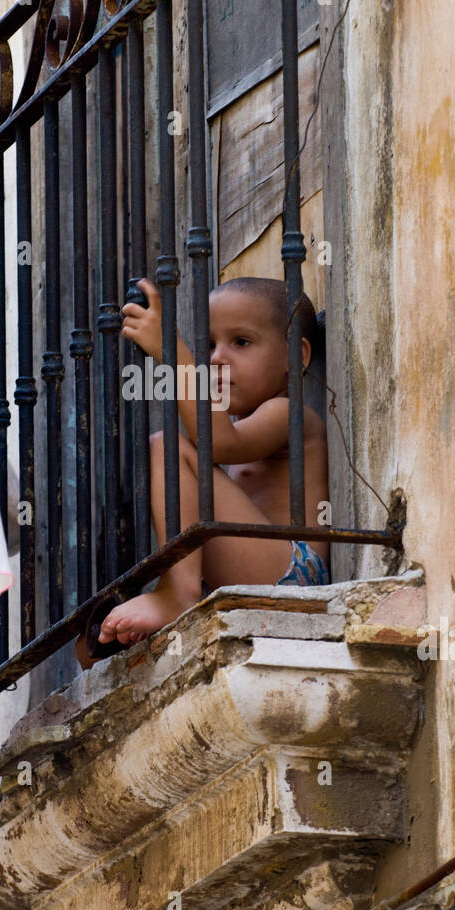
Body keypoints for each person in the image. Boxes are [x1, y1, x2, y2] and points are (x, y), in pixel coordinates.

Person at [84, 274, 329, 656]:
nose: (216, 358)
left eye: (241, 342)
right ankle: (176, 592)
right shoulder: (244, 431)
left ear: (295, 357)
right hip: (255, 572)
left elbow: (217, 441)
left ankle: (178, 592)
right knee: (87, 644)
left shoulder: (291, 413)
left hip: (293, 575)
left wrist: (172, 350)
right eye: (210, 345)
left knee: (166, 446)